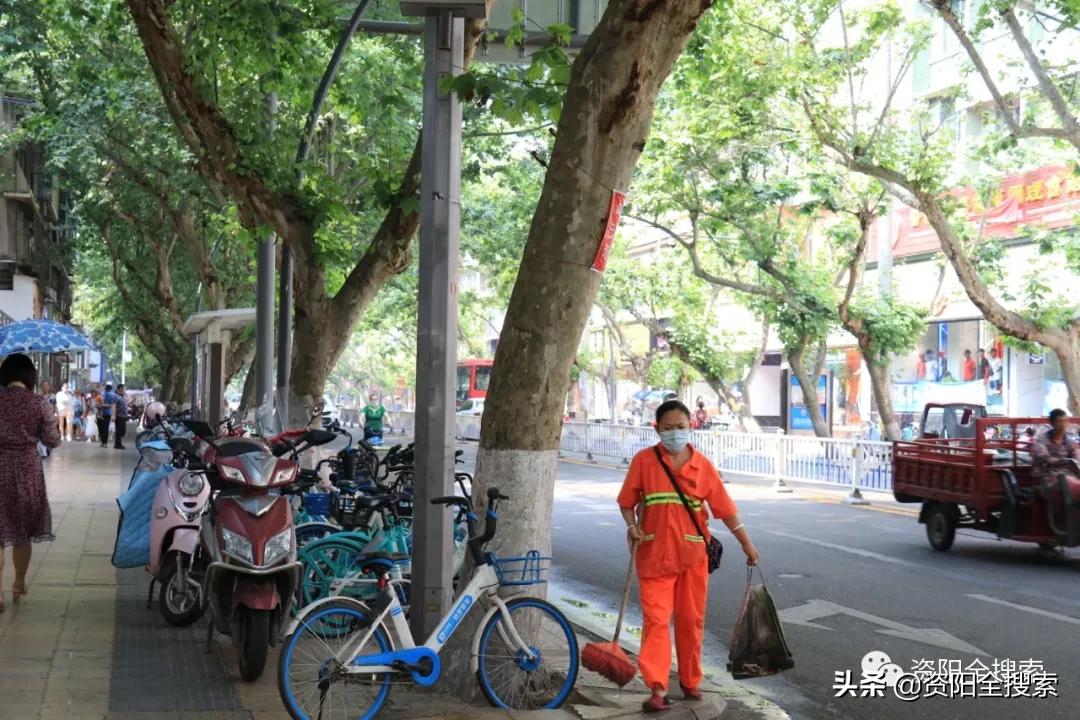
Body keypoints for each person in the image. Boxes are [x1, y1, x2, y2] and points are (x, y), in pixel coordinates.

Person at [617, 400, 758, 712]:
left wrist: (746, 544)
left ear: (690, 427)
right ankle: (657, 687)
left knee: (691, 621)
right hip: (653, 556)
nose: (675, 433)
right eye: (668, 428)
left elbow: (726, 511)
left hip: (693, 558)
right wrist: (632, 526)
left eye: (680, 427)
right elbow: (626, 502)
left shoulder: (702, 466)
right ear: (657, 429)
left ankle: (691, 679)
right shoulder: (644, 462)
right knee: (655, 621)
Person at [0, 354, 61, 611]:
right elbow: (52, 440)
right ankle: (18, 583)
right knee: (21, 531)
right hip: (26, 472)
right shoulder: (39, 403)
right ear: (30, 377)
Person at [1032, 409, 1080, 504]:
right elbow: (1045, 457)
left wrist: (1076, 460)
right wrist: (1061, 461)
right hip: (1047, 475)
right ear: (1052, 423)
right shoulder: (1041, 440)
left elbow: (1077, 454)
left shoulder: (1069, 441)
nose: (1063, 425)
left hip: (1068, 475)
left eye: (1065, 421)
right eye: (1059, 422)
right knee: (1065, 484)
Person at [99, 383, 118, 448]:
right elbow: (113, 405)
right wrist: (113, 415)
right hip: (107, 413)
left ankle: (103, 442)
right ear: (111, 388)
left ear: (105, 388)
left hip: (101, 413)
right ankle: (104, 443)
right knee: (105, 428)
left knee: (101, 428)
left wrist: (102, 405)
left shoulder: (102, 394)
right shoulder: (113, 395)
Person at [113, 383, 129, 449]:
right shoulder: (117, 397)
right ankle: (117, 444)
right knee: (120, 431)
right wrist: (114, 416)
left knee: (122, 431)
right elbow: (115, 407)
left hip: (123, 416)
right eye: (124, 389)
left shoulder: (122, 397)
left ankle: (118, 443)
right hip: (119, 416)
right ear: (120, 389)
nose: (125, 390)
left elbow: (124, 406)